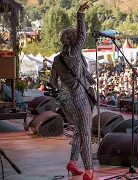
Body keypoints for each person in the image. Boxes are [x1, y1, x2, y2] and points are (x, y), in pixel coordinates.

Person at [49, 2, 97, 180]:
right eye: (76, 37)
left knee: (79, 130)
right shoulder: (74, 53)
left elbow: (52, 82)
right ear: (73, 39)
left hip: (65, 100)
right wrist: (80, 13)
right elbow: (83, 34)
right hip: (79, 98)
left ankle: (73, 162)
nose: (79, 39)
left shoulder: (56, 59)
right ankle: (89, 170)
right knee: (85, 133)